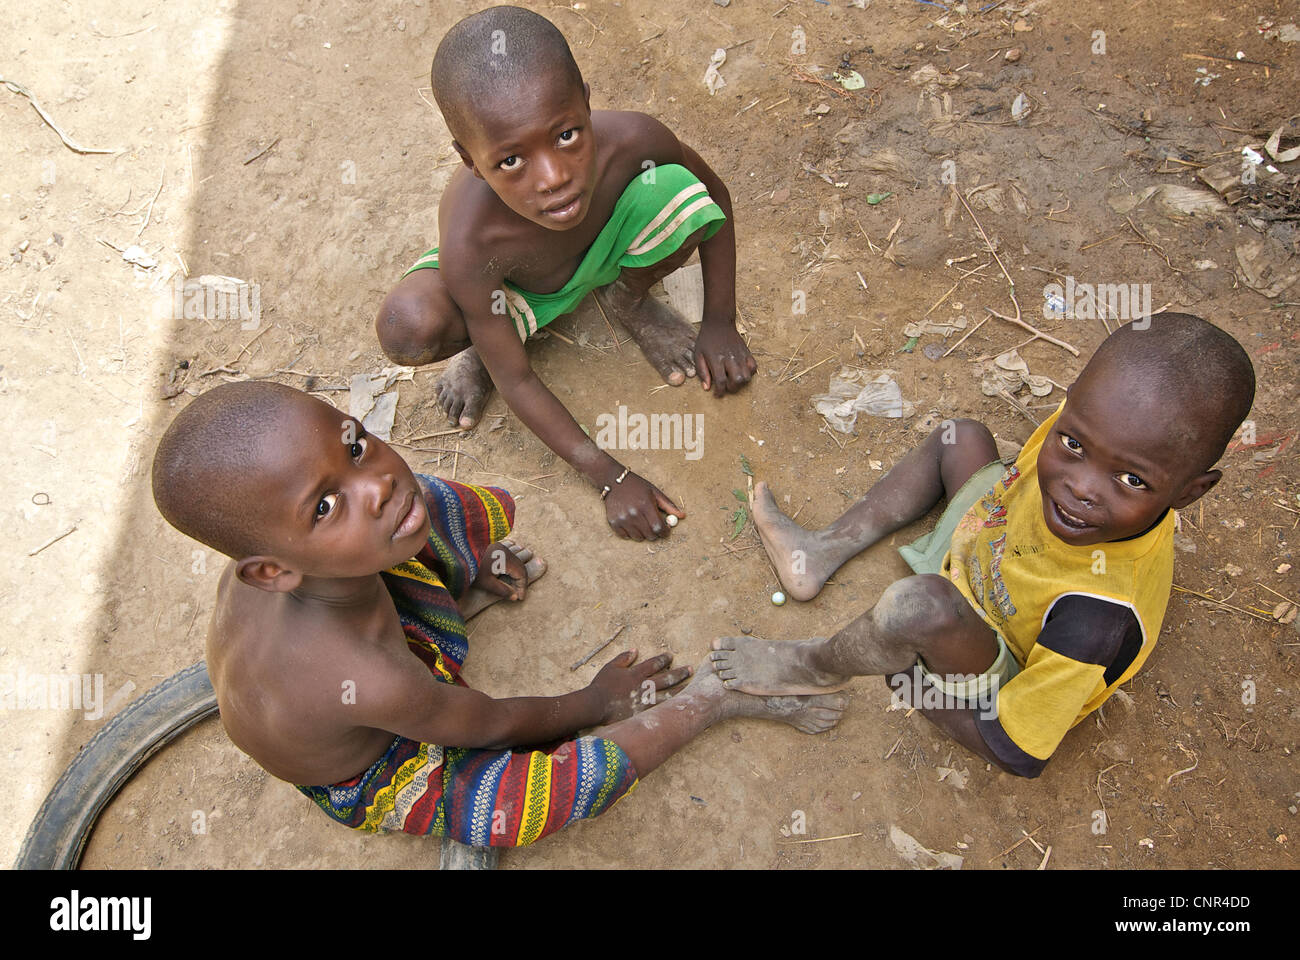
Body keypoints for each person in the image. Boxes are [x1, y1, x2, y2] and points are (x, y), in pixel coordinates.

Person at [151, 382, 845, 846]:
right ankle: (711, 700)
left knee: (420, 504)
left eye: (355, 444)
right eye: (325, 504)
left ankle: (470, 574)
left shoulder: (289, 566)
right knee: (519, 803)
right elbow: (490, 725)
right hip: (374, 763)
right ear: (270, 572)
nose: (377, 481)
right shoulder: (366, 676)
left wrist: (457, 563)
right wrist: (592, 700)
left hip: (361, 626)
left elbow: (370, 509)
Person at [710, 314, 1255, 777]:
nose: (1083, 487)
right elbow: (1040, 471)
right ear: (1072, 406)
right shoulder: (1096, 438)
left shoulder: (1096, 619)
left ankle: (814, 665)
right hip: (991, 540)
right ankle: (821, 551)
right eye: (1072, 443)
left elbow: (1020, 751)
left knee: (918, 607)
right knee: (961, 437)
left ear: (1191, 491)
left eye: (1132, 480)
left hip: (995, 652)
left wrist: (916, 688)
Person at [374, 5, 756, 541]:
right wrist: (609, 478)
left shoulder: (635, 140)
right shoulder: (472, 242)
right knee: (409, 324)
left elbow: (715, 196)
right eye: (509, 161)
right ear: (468, 159)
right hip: (512, 290)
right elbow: (519, 378)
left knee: (678, 195)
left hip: (595, 255)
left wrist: (720, 320)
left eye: (567, 134)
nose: (554, 177)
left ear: (586, 101)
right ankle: (481, 346)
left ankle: (629, 300)